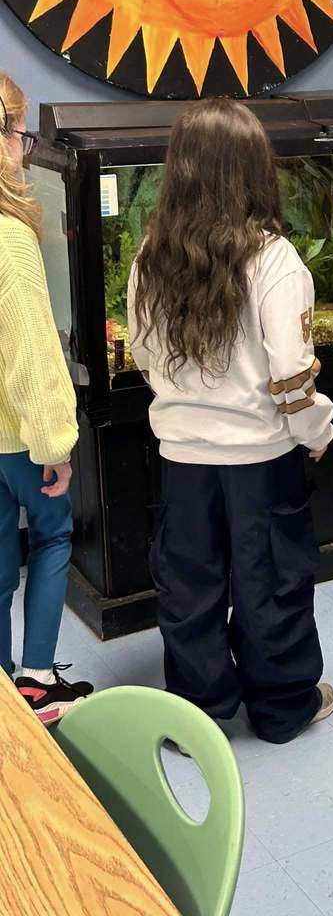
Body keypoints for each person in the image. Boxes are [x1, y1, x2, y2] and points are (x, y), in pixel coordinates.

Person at [127, 98, 333, 744]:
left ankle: (200, 713)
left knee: (188, 586)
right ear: (254, 171)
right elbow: (292, 378)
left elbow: (142, 354)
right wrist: (318, 434)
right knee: (270, 581)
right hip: (261, 463)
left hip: (182, 460)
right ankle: (280, 707)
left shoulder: (149, 258)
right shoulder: (274, 261)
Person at [0, 71, 93, 723]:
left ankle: (4, 686)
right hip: (18, 439)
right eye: (17, 132)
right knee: (54, 535)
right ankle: (37, 679)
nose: (22, 149)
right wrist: (56, 443)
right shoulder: (10, 238)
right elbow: (31, 353)